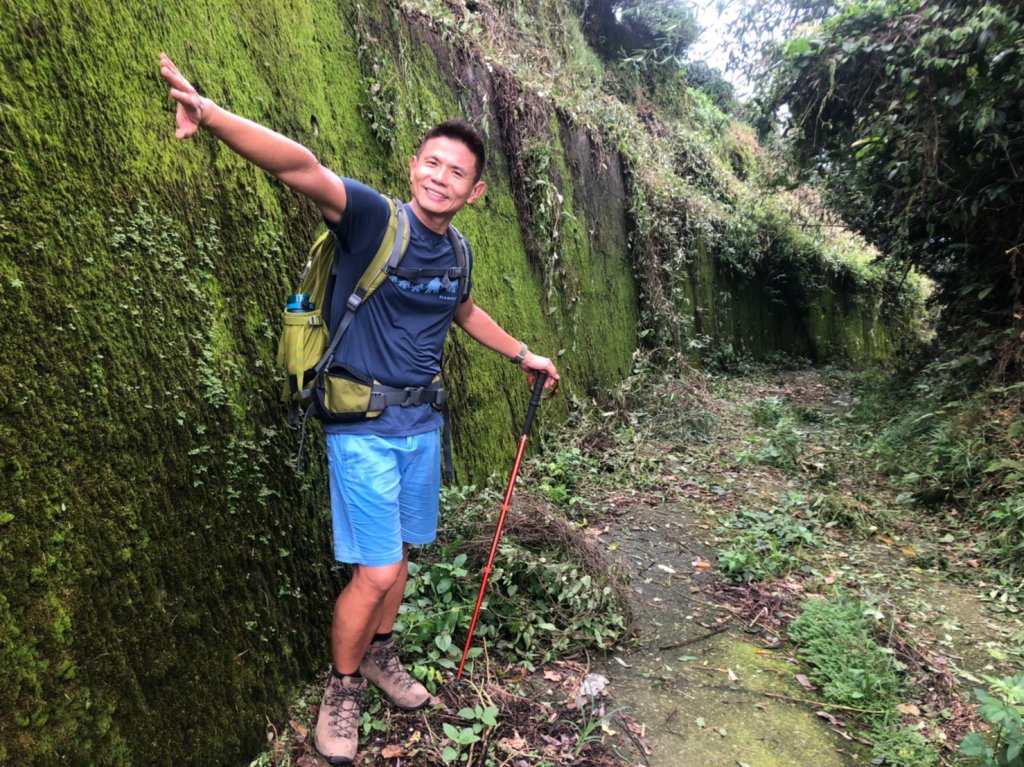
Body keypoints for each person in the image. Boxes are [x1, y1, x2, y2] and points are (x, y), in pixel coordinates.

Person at [159, 53, 560, 764]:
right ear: (413, 167)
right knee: (375, 572)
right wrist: (213, 115)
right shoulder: (376, 220)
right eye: (431, 163)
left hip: (421, 429)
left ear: (475, 191)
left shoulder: (457, 252)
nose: (440, 176)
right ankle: (342, 686)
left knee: (398, 558)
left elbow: (462, 311)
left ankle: (380, 653)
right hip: (362, 429)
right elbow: (301, 167)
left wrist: (521, 351)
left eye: (456, 171)